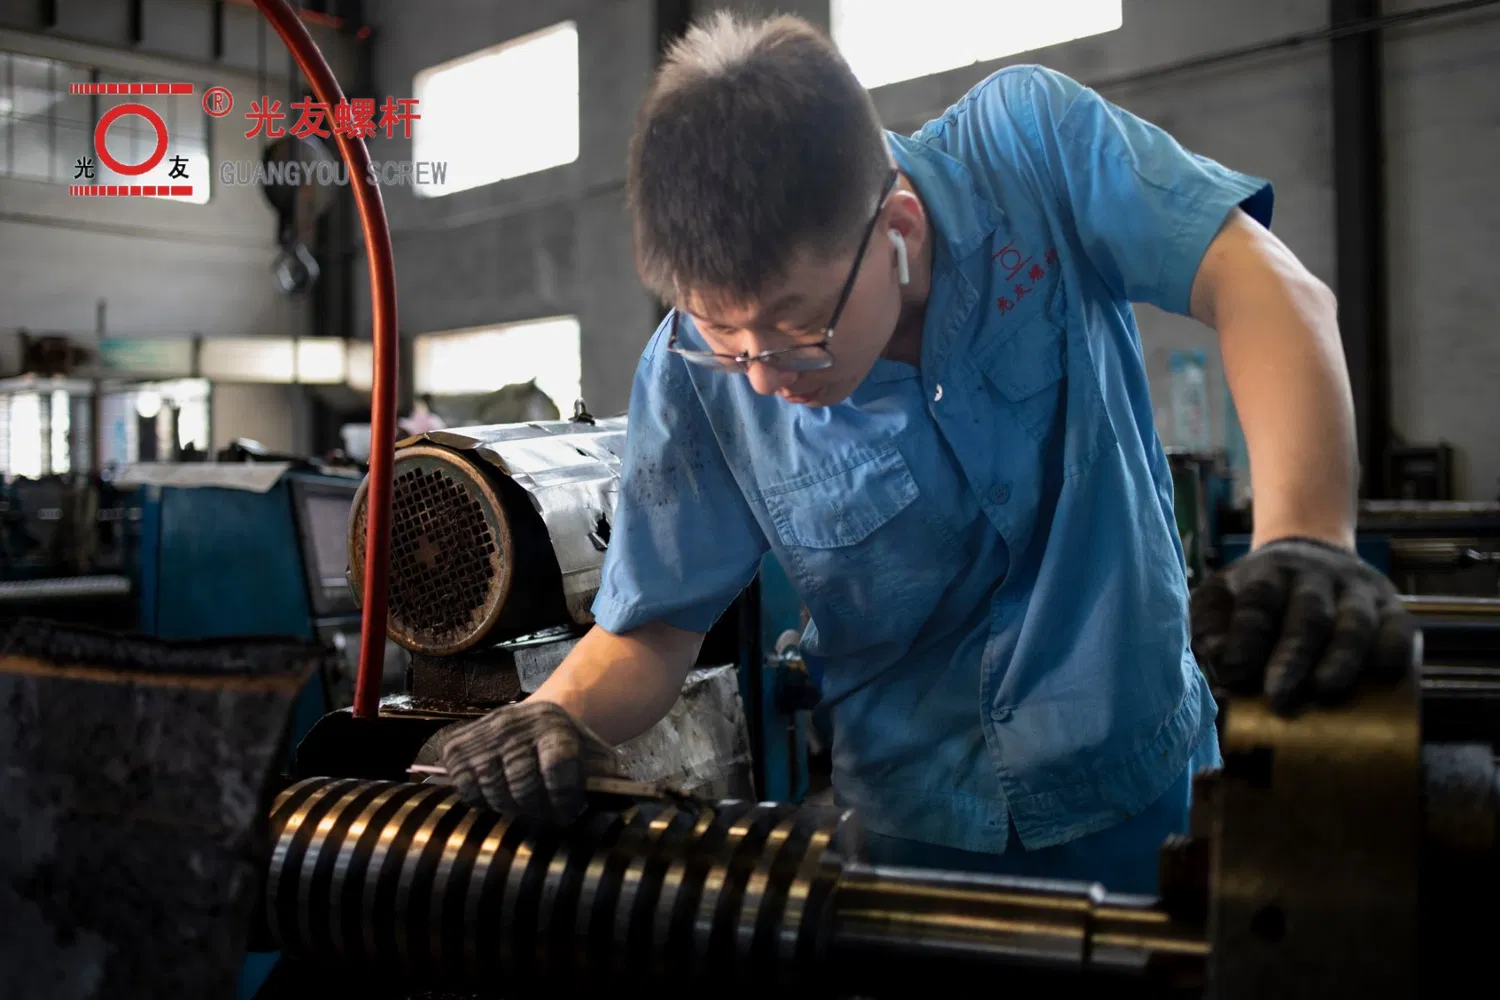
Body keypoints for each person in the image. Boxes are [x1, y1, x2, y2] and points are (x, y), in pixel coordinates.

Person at [437, 13, 1412, 893]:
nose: (766, 375)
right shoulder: (692, 383)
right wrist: (554, 716)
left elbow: (1263, 288)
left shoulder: (1035, 156)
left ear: (896, 230)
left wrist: (1306, 539)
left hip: (1145, 799)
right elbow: (651, 629)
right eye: (724, 339)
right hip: (910, 844)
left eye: (796, 326)